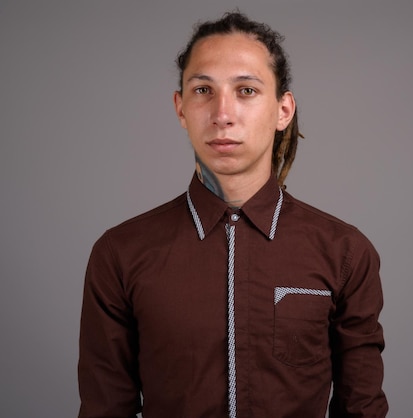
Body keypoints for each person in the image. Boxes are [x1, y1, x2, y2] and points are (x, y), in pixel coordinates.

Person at [78, 11, 388, 418]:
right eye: (203, 89)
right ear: (180, 108)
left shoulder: (345, 252)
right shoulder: (120, 254)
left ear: (283, 110)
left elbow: (362, 409)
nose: (222, 113)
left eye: (246, 90)